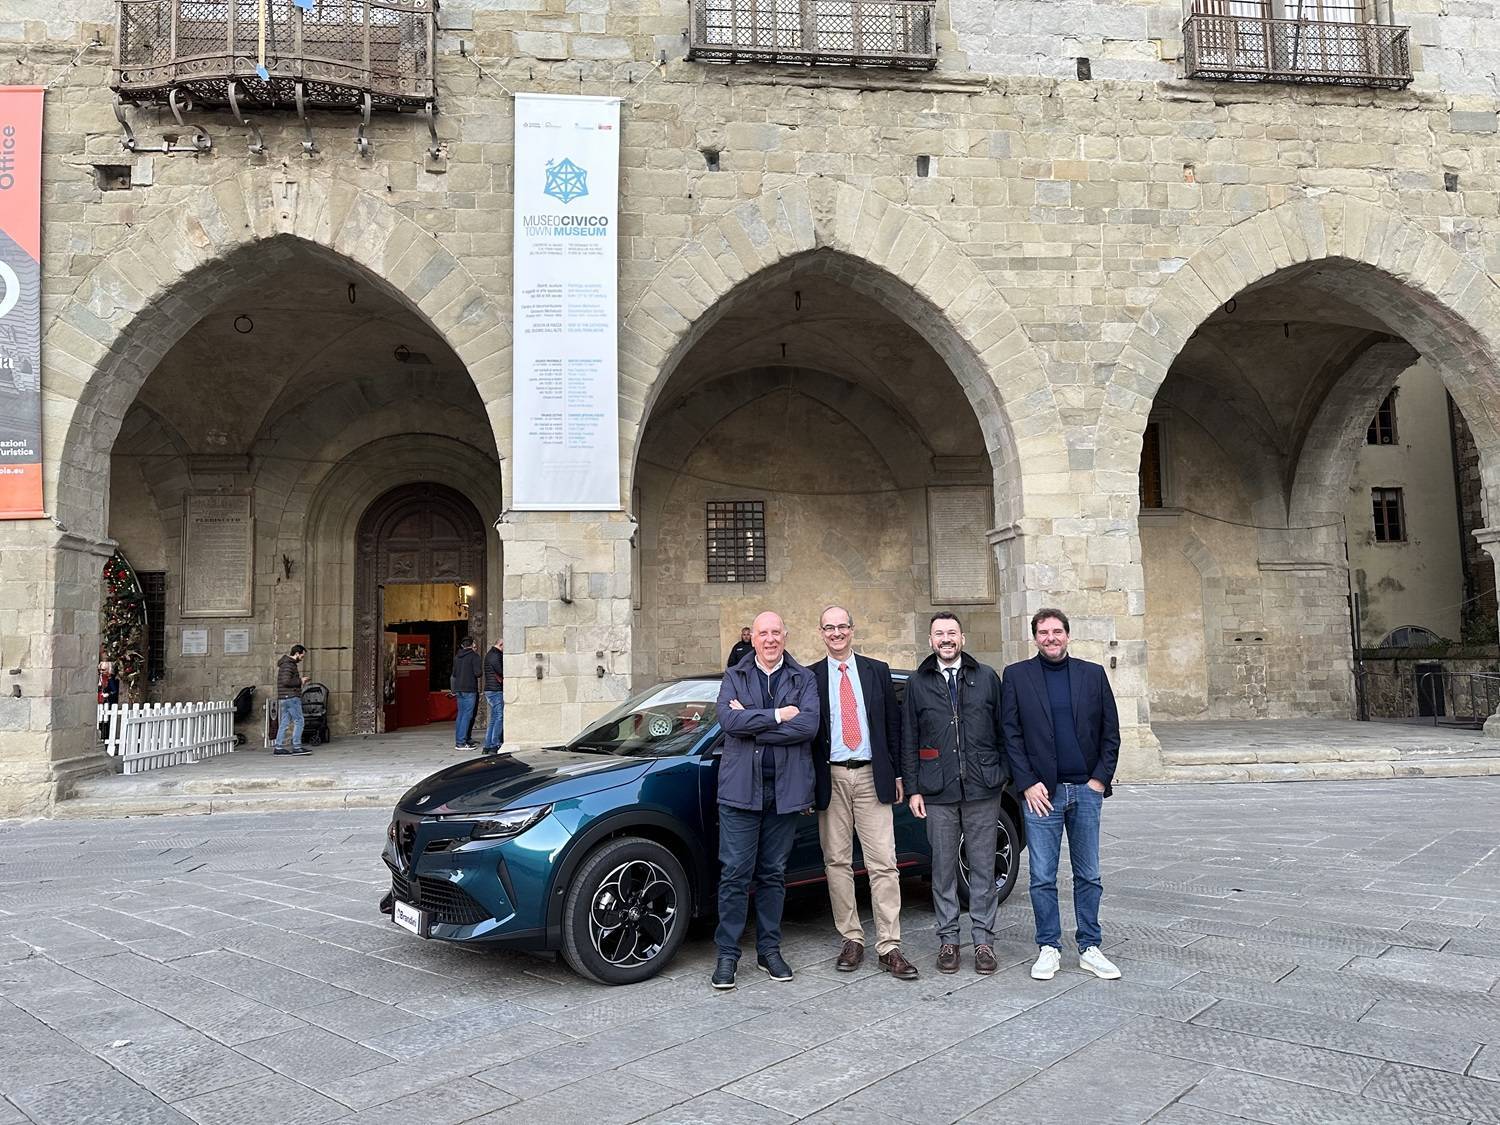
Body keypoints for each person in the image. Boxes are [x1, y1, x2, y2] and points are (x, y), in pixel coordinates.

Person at [1002, 607, 1122, 982]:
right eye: (1043, 632)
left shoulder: (1093, 675)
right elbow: (1011, 735)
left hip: (1085, 791)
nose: (1050, 638)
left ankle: (1089, 946)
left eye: (1056, 631)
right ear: (1035, 637)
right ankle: (1049, 947)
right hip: (1041, 794)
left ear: (1068, 635)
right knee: (1041, 876)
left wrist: (1099, 781)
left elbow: (1110, 733)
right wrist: (1025, 783)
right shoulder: (1017, 677)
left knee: (1089, 874)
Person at [712, 610, 819, 991]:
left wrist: (754, 726)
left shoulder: (803, 678)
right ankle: (727, 955)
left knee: (773, 874)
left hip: (785, 793)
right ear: (751, 638)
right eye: (763, 633)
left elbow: (808, 726)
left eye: (776, 632)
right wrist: (777, 716)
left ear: (785, 637)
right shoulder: (734, 676)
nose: (770, 639)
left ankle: (769, 950)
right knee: (735, 874)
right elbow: (728, 722)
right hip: (741, 792)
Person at [811, 605, 917, 980]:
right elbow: (808, 736)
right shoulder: (810, 677)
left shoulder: (876, 670)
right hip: (832, 778)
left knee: (883, 863)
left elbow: (894, 725)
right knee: (836, 862)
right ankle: (851, 939)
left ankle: (890, 946)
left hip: (873, 775)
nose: (836, 633)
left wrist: (900, 774)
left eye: (842, 626)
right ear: (821, 633)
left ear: (852, 630)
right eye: (829, 627)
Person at [901, 612, 1007, 975]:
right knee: (943, 869)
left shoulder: (987, 677)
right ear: (930, 641)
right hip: (937, 789)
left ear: (962, 637)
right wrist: (913, 788)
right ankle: (948, 938)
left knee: (982, 867)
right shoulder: (918, 682)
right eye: (938, 634)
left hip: (982, 788)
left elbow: (1004, 729)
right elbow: (909, 738)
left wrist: (1002, 774)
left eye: (951, 633)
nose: (945, 639)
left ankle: (983, 942)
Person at [273, 644, 310, 755]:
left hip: (286, 697)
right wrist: (301, 680)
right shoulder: (288, 665)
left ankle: (278, 747)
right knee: (299, 721)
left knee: (285, 722)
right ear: (297, 653)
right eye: (302, 656)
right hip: (291, 697)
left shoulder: (287, 664)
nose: (302, 658)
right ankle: (297, 747)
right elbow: (286, 681)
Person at [451, 635, 481, 752]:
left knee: (461, 715)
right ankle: (461, 743)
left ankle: (463, 739)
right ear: (472, 644)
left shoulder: (457, 657)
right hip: (469, 689)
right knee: (467, 715)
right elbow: (478, 673)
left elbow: (454, 673)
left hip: (459, 688)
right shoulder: (474, 657)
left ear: (462, 645)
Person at [481, 637, 505, 755]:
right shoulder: (495, 655)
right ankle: (494, 744)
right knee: (499, 717)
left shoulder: (490, 654)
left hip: (491, 689)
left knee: (494, 718)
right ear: (501, 644)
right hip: (495, 690)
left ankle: (487, 745)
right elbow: (501, 671)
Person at [97, 659, 119, 743]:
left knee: (106, 721)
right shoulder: (99, 677)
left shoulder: (110, 679)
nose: (101, 672)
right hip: (98, 700)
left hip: (106, 702)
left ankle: (105, 737)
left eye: (103, 670)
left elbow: (114, 690)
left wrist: (108, 694)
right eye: (100, 670)